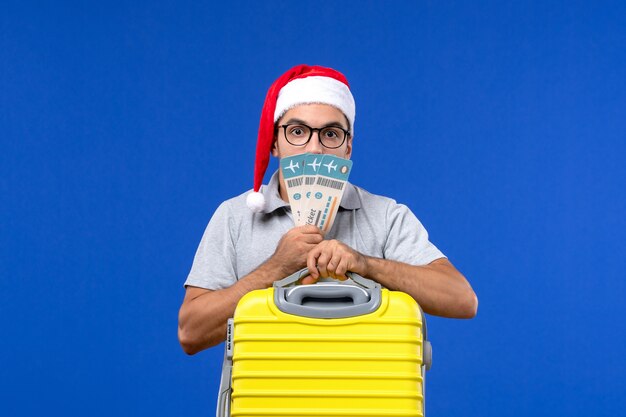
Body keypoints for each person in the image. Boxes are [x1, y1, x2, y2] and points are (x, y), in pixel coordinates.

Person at [178, 65, 477, 355]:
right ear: (274, 143)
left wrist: (365, 264)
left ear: (348, 147)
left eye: (331, 134)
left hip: (367, 398)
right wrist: (276, 268)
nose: (314, 149)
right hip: (266, 393)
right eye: (297, 131)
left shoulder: (386, 216)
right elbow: (191, 333)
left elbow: (461, 299)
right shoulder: (234, 216)